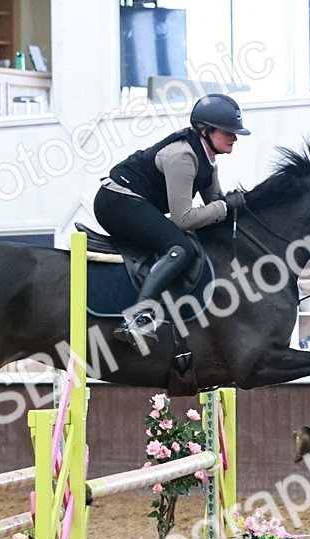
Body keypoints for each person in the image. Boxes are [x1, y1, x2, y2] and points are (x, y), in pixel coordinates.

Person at [94, 93, 250, 349]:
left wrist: (232, 207)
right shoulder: (183, 157)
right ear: (205, 131)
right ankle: (138, 318)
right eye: (228, 132)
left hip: (130, 201)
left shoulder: (208, 159)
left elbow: (215, 205)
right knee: (180, 247)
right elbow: (184, 219)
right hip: (116, 202)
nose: (234, 137)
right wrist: (223, 206)